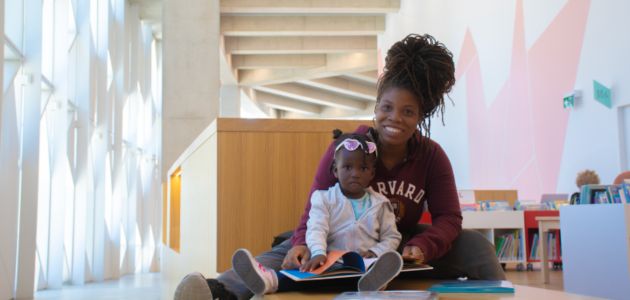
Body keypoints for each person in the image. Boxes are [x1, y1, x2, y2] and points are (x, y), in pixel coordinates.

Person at [174, 33, 505, 300]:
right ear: (375, 108)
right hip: (332, 238)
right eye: (387, 108)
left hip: (394, 247)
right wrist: (303, 240)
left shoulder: (432, 156)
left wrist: (424, 245)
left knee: (475, 245)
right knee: (285, 252)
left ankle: (501, 295)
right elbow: (316, 199)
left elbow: (449, 218)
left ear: (420, 117)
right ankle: (215, 291)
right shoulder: (347, 147)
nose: (395, 119)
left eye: (408, 112)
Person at [226, 130, 403, 296]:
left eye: (363, 168)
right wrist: (318, 252)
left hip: (364, 264)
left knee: (376, 268)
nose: (355, 174)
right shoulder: (323, 199)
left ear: (372, 173)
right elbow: (316, 228)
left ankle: (375, 282)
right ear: (335, 170)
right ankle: (268, 280)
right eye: (348, 167)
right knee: (305, 273)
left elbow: (392, 237)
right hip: (329, 259)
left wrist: (375, 252)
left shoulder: (381, 204)